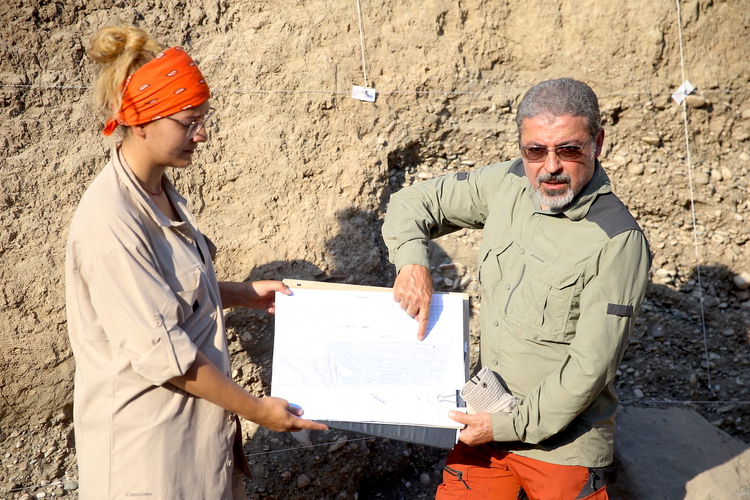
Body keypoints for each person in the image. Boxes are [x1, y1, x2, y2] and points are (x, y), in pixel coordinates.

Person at [65, 25, 327, 500]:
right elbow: (164, 353)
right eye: (188, 122)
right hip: (149, 459)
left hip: (194, 445)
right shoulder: (111, 219)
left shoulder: (159, 193)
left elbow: (162, 296)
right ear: (141, 121)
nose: (201, 135)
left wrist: (238, 294)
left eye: (203, 120)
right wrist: (257, 410)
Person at [382, 78, 650, 500]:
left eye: (568, 150)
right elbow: (411, 203)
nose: (550, 166)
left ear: (597, 143)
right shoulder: (507, 184)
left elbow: (589, 369)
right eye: (535, 151)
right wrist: (413, 262)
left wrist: (504, 425)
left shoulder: (617, 240)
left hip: (562, 449)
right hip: (484, 423)